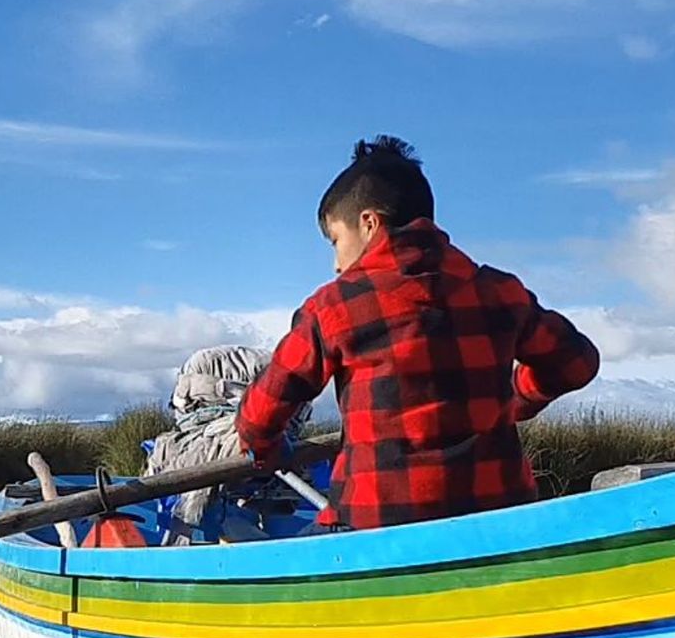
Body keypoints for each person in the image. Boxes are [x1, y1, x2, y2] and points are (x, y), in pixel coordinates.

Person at [235, 136, 599, 530]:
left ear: (369, 223)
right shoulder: (499, 292)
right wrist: (517, 399)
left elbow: (260, 416)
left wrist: (267, 450)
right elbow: (575, 364)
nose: (336, 264)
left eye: (337, 241)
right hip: (499, 518)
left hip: (375, 526)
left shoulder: (333, 307)